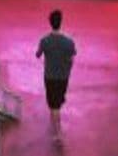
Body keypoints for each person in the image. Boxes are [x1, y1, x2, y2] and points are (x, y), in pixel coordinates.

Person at [36, 9, 76, 142]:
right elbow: (72, 58)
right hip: (64, 77)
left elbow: (38, 54)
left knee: (54, 106)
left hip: (50, 77)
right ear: (61, 22)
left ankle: (58, 133)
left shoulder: (45, 40)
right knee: (58, 100)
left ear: (50, 23)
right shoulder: (69, 42)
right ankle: (55, 110)